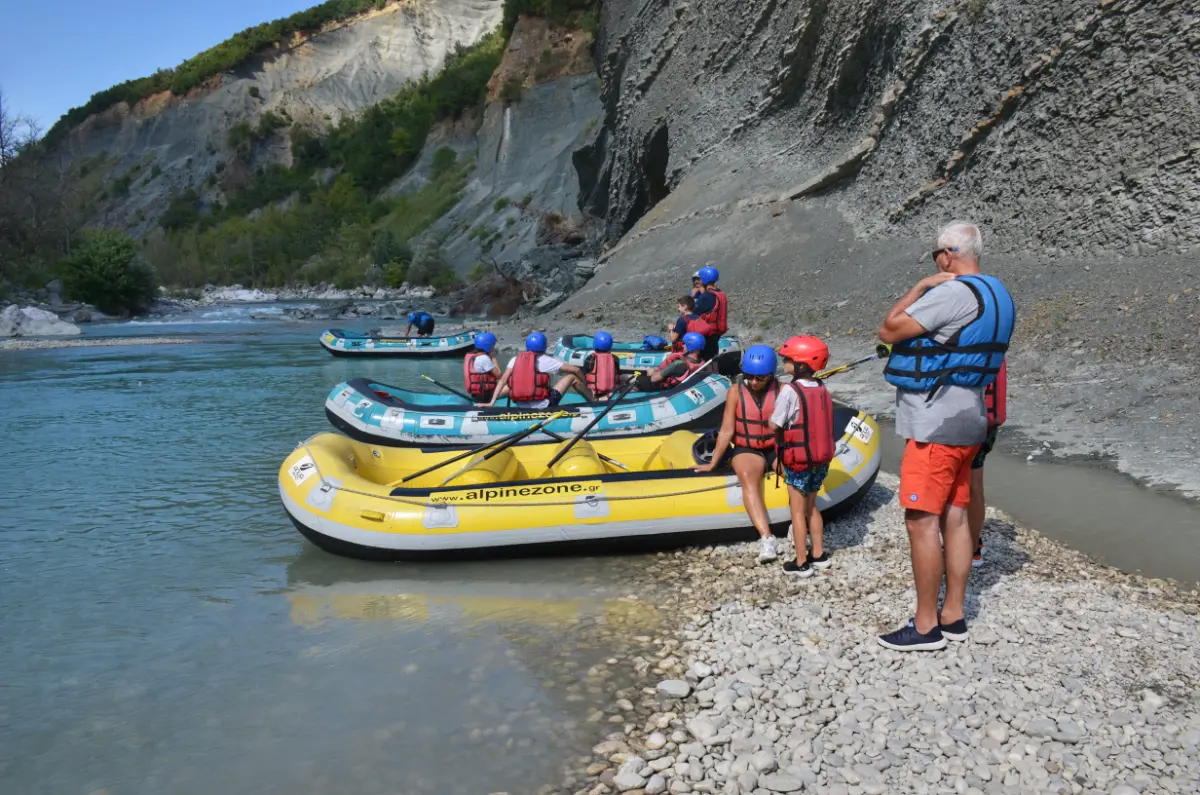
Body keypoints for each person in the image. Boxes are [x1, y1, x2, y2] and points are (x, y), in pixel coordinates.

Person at [876, 220, 1015, 652]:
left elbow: (890, 329)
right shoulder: (1001, 293)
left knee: (921, 521)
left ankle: (924, 626)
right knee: (956, 517)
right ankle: (953, 614)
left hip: (935, 423)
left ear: (946, 256)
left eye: (935, 256)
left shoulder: (952, 292)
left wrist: (920, 286)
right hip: (972, 416)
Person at [693, 345, 781, 563]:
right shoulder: (734, 392)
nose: (753, 382)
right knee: (748, 479)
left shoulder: (783, 391)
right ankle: (767, 538)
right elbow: (727, 430)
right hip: (747, 447)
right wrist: (713, 463)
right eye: (748, 376)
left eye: (759, 378)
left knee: (793, 474)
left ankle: (799, 525)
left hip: (775, 446)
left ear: (771, 375)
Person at [770, 336, 836, 578]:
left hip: (798, 462)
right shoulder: (821, 387)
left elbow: (775, 424)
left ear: (800, 365)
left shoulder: (789, 390)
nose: (784, 363)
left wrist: (770, 422)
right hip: (821, 459)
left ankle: (801, 562)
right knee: (812, 506)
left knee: (797, 512)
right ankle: (818, 555)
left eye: (788, 360)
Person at [485, 332, 593, 408]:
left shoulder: (515, 359)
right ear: (544, 346)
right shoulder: (546, 360)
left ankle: (492, 399)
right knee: (571, 377)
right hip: (544, 406)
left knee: (517, 380)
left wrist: (491, 403)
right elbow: (575, 369)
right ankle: (594, 402)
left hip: (521, 405)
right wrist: (585, 383)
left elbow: (503, 381)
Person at [969, 359, 1006, 567]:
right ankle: (975, 542)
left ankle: (971, 548)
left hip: (968, 421)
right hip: (988, 419)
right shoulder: (993, 332)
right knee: (974, 485)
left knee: (967, 488)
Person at [636, 331, 707, 391]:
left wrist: (652, 371)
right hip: (680, 386)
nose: (683, 346)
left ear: (690, 346)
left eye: (685, 344)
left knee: (634, 379)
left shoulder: (679, 364)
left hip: (663, 387)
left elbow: (654, 379)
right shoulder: (701, 363)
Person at [694, 265, 727, 361]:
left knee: (706, 359)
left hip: (708, 333)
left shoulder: (706, 296)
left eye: (700, 279)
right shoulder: (720, 293)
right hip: (717, 332)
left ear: (704, 279)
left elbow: (693, 312)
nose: (699, 281)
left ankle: (707, 374)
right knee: (713, 358)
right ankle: (715, 373)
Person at [582, 331, 622, 401]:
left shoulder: (591, 358)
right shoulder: (615, 358)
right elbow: (617, 374)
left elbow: (583, 374)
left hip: (594, 393)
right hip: (611, 393)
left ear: (595, 344)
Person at [463, 332, 501, 403]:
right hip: (485, 396)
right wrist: (493, 357)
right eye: (493, 345)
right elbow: (499, 375)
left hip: (476, 394)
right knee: (510, 386)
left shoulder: (473, 356)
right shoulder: (484, 358)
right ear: (488, 346)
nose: (494, 347)